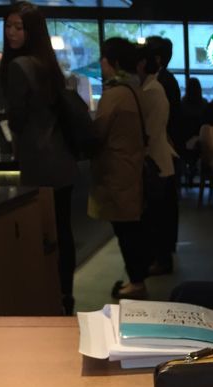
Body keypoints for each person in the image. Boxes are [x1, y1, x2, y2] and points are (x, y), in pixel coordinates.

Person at [0, 1, 79, 315]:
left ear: (31, 31)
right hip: (62, 160)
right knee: (63, 230)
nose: (12, 33)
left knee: (45, 234)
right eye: (9, 26)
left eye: (19, 27)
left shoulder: (19, 67)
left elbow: (17, 120)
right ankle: (65, 295)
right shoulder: (47, 64)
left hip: (39, 163)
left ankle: (50, 296)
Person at [87, 38, 147, 301]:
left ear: (114, 62)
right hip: (133, 167)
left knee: (126, 231)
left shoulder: (114, 94)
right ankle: (137, 278)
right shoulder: (136, 90)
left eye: (103, 58)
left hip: (116, 171)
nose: (101, 63)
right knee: (132, 228)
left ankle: (136, 282)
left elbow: (98, 132)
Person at [135, 42, 179, 287]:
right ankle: (161, 257)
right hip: (162, 158)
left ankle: (161, 259)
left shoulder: (153, 89)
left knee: (157, 215)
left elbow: (150, 132)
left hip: (156, 160)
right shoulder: (156, 86)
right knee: (161, 213)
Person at [144, 35, 181, 274]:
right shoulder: (166, 81)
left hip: (161, 153)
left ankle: (162, 258)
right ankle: (163, 255)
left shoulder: (158, 85)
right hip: (167, 152)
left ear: (156, 58)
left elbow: (159, 126)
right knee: (165, 209)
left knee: (160, 210)